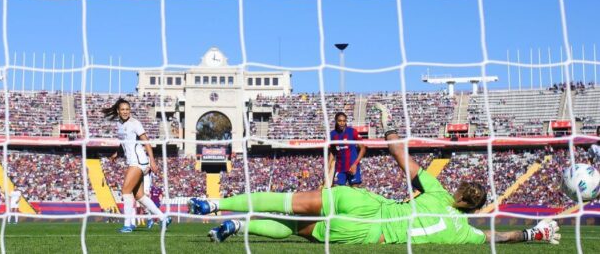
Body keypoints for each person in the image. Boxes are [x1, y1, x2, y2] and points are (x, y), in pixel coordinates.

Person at [188, 104, 560, 245]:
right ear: (475, 209)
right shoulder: (465, 233)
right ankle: (235, 223)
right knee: (291, 227)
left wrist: (387, 126)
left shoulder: (436, 189)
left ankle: (216, 204)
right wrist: (532, 233)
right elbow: (501, 237)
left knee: (288, 202)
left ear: (461, 190)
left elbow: (400, 155)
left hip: (368, 203)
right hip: (371, 234)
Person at [102, 98, 171, 233]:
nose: (125, 112)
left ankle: (128, 224)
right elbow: (125, 143)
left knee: (126, 192)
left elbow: (147, 143)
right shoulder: (119, 125)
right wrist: (117, 154)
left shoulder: (135, 123)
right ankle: (164, 218)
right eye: (123, 109)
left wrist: (152, 161)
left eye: (127, 109)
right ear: (118, 111)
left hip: (139, 161)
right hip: (132, 161)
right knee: (139, 196)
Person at [327, 112, 366, 187]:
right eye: (340, 121)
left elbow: (363, 149)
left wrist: (355, 164)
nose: (342, 123)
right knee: (337, 191)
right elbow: (332, 151)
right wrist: (328, 166)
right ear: (336, 121)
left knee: (355, 192)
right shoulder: (332, 134)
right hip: (340, 169)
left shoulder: (352, 132)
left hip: (352, 167)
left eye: (344, 121)